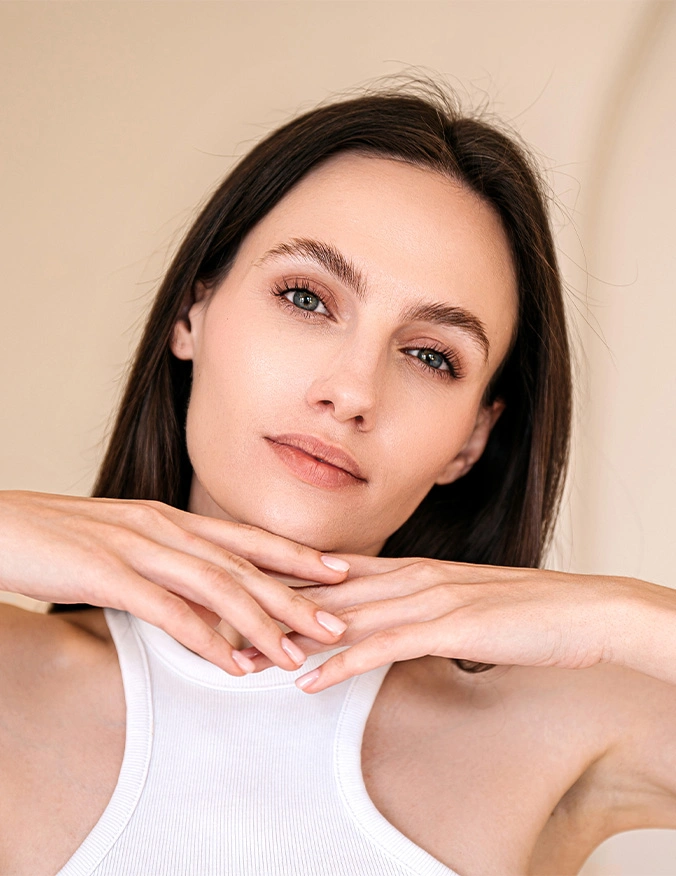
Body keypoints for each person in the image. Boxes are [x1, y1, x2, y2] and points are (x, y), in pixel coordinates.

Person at [2, 83, 676, 876]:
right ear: (194, 313)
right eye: (305, 297)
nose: (352, 392)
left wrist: (623, 617)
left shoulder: (555, 727)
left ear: (472, 438)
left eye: (431, 356)